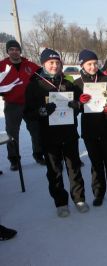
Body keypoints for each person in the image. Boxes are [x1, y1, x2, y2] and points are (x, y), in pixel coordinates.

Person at [24, 48, 88, 216]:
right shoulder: (35, 85)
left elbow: (80, 104)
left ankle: (79, 198)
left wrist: (76, 106)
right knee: (54, 170)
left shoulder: (67, 83)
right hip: (48, 136)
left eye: (57, 62)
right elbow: (28, 112)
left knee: (73, 167)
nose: (54, 66)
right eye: (51, 62)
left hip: (69, 134)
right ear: (43, 63)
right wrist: (42, 111)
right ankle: (60, 202)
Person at [74, 49, 107, 207]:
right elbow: (73, 109)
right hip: (89, 130)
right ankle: (99, 193)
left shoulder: (106, 79)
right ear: (82, 65)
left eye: (95, 63)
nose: (93, 66)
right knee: (96, 165)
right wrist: (79, 103)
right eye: (89, 64)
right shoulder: (77, 83)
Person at [0, 40, 44, 170]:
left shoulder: (30, 65)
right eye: (11, 49)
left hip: (30, 104)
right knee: (12, 134)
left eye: (16, 49)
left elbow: (44, 78)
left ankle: (38, 154)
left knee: (36, 131)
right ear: (7, 51)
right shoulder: (2, 66)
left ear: (20, 51)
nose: (14, 51)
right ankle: (14, 160)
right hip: (13, 104)